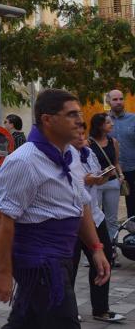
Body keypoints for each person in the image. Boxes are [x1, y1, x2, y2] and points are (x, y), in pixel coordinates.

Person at [0, 89, 111, 328]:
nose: (80, 120)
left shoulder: (70, 155)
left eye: (79, 113)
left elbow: (80, 204)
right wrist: (4, 272)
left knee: (27, 322)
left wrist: (96, 247)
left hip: (62, 255)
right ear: (48, 119)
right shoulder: (23, 161)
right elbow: (3, 220)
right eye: (71, 114)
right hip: (39, 262)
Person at [69, 127, 125, 323]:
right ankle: (68, 310)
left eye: (84, 134)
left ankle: (100, 308)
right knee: (70, 265)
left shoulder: (88, 153)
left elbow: (93, 177)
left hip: (94, 214)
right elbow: (71, 182)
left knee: (103, 258)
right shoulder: (65, 154)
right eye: (78, 134)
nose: (83, 138)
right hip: (73, 216)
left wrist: (101, 177)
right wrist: (88, 179)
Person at [88, 113, 122, 244]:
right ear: (99, 125)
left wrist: (121, 175)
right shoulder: (88, 143)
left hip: (112, 182)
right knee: (94, 218)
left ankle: (112, 248)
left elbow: (116, 162)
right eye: (108, 122)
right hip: (96, 184)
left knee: (112, 219)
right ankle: (93, 251)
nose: (112, 124)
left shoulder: (113, 142)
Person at [106, 89, 135, 220]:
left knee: (133, 206)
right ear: (108, 102)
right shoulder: (103, 121)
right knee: (107, 208)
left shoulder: (133, 119)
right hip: (110, 171)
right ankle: (108, 237)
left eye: (121, 99)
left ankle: (132, 237)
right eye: (115, 99)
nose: (118, 102)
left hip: (132, 169)